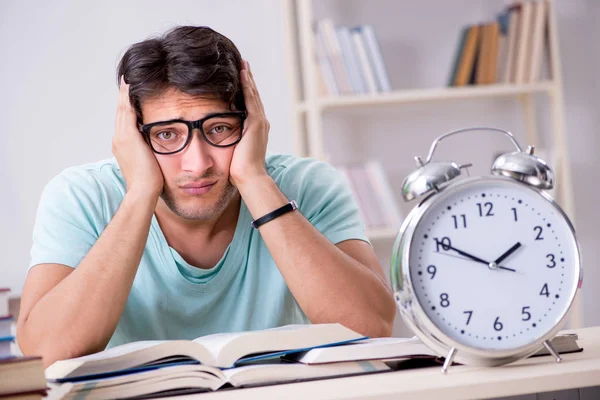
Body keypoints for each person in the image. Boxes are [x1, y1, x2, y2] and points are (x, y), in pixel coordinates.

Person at [17, 26, 396, 367]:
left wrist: (254, 179)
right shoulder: (80, 196)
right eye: (167, 134)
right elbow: (44, 354)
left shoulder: (310, 185)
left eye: (219, 128)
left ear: (250, 126)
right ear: (133, 137)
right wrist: (140, 194)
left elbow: (372, 327)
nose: (196, 164)